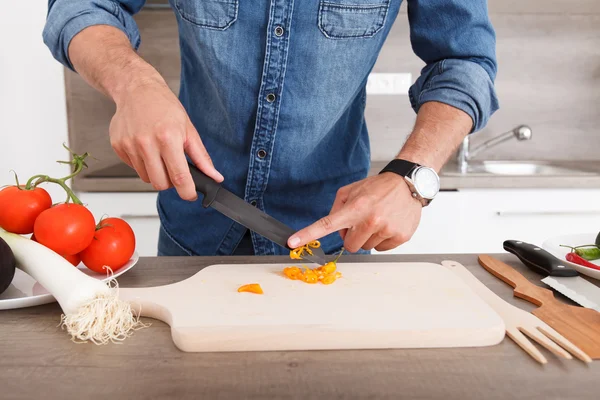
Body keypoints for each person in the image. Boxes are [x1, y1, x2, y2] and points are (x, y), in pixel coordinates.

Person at [42, 0, 498, 256]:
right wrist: (134, 84)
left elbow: (464, 58)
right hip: (194, 233)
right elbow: (80, 6)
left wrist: (411, 176)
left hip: (332, 238)